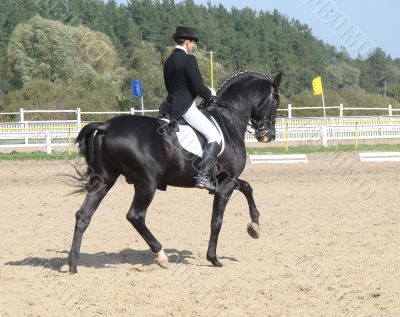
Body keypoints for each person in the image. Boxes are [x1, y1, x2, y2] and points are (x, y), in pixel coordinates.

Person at [163, 26, 222, 192]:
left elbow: (170, 87)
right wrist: (210, 95)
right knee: (214, 136)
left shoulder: (168, 61)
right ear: (187, 42)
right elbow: (197, 87)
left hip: (169, 105)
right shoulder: (189, 60)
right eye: (193, 43)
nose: (193, 46)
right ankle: (203, 177)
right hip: (185, 107)